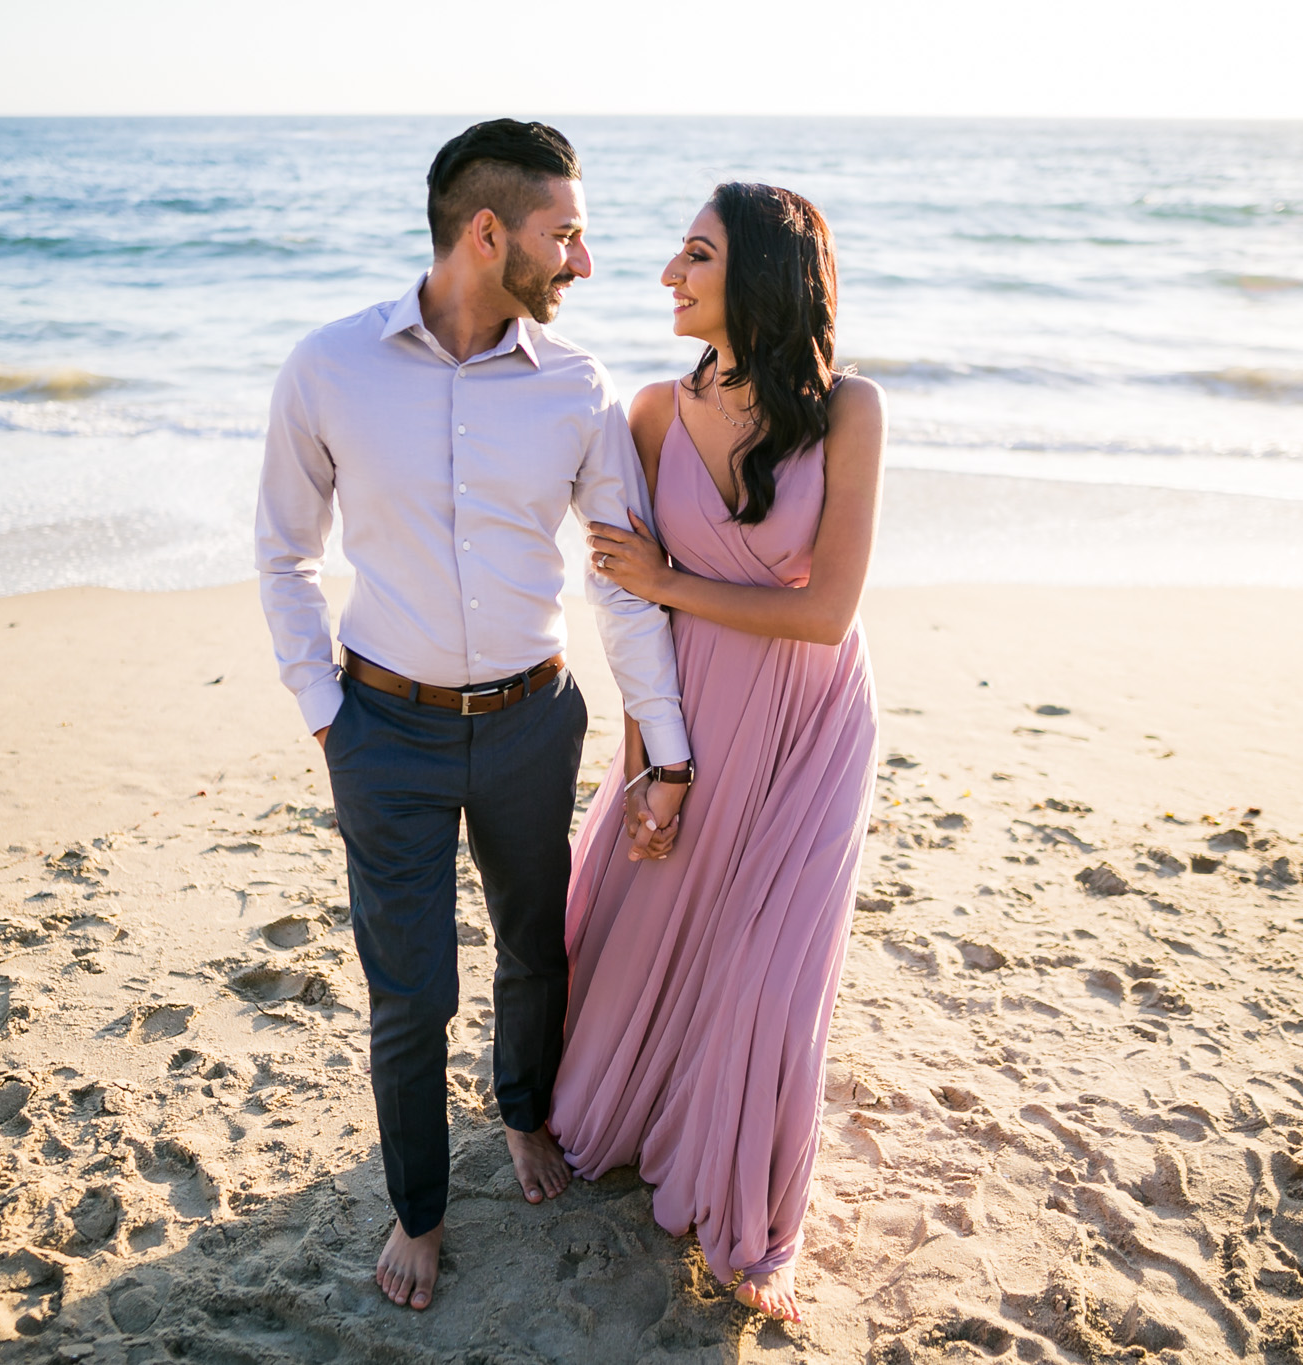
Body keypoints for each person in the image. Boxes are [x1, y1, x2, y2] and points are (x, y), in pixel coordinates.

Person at [254, 119, 692, 1313]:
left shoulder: (577, 386)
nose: (584, 264)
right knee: (410, 990)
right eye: (567, 235)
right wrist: (320, 709)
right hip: (378, 726)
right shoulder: (328, 366)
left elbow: (620, 577)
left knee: (533, 944)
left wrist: (670, 747)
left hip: (528, 720)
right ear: (486, 232)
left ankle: (522, 1114)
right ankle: (417, 1209)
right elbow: (284, 554)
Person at [549, 182, 886, 1324]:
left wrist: (670, 580)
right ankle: (653, 1125)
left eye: (694, 254)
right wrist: (649, 763)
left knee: (771, 974)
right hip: (692, 716)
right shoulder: (648, 415)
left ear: (760, 277)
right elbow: (631, 619)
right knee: (653, 932)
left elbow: (826, 613)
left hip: (808, 723)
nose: (666, 274)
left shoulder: (849, 413)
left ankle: (750, 1212)